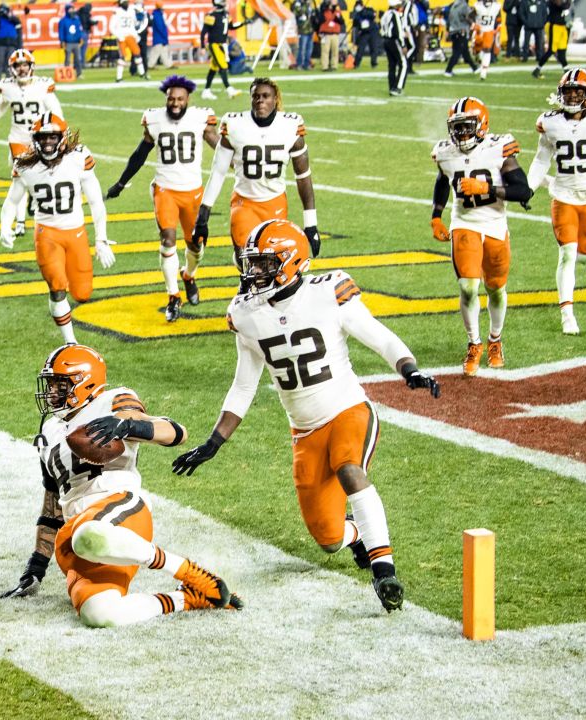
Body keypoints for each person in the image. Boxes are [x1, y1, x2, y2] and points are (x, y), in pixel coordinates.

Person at [171, 220, 440, 613]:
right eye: (253, 264)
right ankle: (359, 535)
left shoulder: (328, 292)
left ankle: (384, 571)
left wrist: (408, 368)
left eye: (264, 264)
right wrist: (214, 442)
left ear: (292, 262)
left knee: (349, 467)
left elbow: (376, 333)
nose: (254, 273)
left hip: (347, 408)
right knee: (329, 538)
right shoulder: (246, 314)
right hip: (304, 431)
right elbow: (244, 386)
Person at [0, 344, 243, 626]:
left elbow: (175, 432)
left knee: (90, 535)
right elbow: (52, 502)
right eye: (50, 384)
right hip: (75, 532)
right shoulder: (49, 431)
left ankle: (188, 571)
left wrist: (128, 426)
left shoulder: (113, 400)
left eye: (60, 384)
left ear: (85, 383)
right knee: (99, 614)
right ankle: (189, 598)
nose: (52, 392)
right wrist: (36, 568)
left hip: (118, 509)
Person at [430, 97, 531, 375]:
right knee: (467, 287)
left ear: (482, 125)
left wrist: (485, 188)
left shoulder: (499, 148)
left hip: (495, 224)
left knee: (496, 289)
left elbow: (524, 191)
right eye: (457, 127)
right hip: (464, 223)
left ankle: (495, 340)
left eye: (467, 127)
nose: (461, 134)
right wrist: (436, 216)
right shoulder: (445, 152)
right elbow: (443, 180)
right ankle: (474, 343)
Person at [106, 76, 220, 322]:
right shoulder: (154, 118)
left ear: (188, 99)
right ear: (166, 99)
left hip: (193, 191)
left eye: (180, 99)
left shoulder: (201, 118)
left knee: (195, 245)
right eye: (171, 99)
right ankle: (173, 296)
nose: (175, 103)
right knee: (168, 240)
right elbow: (140, 153)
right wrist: (121, 182)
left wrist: (238, 163)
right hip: (165, 189)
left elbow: (220, 148)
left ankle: (189, 275)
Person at [0, 115, 113, 343]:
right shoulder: (25, 164)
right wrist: (5, 225)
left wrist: (101, 238)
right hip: (47, 234)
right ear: (35, 140)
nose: (48, 142)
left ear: (62, 138)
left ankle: (66, 293)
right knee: (57, 286)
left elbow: (95, 201)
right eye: (43, 137)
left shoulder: (78, 158)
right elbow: (12, 201)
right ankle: (70, 341)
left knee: (82, 294)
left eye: (52, 136)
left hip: (76, 232)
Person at [193, 78, 320, 278]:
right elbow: (218, 171)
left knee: (272, 266)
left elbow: (303, 176)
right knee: (248, 264)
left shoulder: (290, 125)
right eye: (255, 96)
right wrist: (204, 213)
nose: (260, 100)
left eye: (265, 96)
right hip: (245, 203)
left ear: (275, 99)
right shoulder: (234, 123)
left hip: (275, 203)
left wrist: (310, 223)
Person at [527, 69, 586, 335]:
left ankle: (550, 183)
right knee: (567, 254)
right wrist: (530, 187)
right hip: (563, 196)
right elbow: (541, 158)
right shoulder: (550, 122)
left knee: (585, 256)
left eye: (576, 92)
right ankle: (567, 314)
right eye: (567, 91)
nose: (570, 97)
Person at [0, 49, 64, 238]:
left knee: (44, 176)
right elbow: (0, 106)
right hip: (18, 139)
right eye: (18, 66)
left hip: (41, 139)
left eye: (25, 65)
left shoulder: (43, 85)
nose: (22, 69)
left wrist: (61, 130)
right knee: (20, 179)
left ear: (31, 66)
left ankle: (34, 202)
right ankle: (19, 223)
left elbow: (55, 109)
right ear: (12, 68)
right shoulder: (7, 86)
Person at [200, 0, 246, 98]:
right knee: (223, 66)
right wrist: (202, 47)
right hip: (214, 44)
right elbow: (203, 32)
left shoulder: (226, 15)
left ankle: (206, 91)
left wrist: (243, 23)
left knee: (213, 68)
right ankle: (229, 89)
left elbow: (231, 27)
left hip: (222, 44)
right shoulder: (211, 16)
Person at [111, 0, 148, 82]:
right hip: (122, 37)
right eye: (125, 2)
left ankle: (142, 73)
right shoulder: (117, 12)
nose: (126, 4)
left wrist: (135, 35)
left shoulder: (131, 11)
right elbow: (111, 27)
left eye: (127, 2)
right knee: (123, 57)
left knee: (137, 54)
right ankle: (119, 77)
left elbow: (132, 25)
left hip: (130, 36)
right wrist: (118, 36)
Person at [531, 0, 569, 78]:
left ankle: (566, 71)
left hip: (562, 26)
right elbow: (563, 6)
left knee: (562, 50)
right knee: (551, 50)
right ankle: (537, 69)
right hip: (554, 26)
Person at [380, 0, 409, 95]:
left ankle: (392, 87)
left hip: (386, 40)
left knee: (392, 65)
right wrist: (403, 45)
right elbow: (399, 31)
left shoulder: (385, 14)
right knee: (403, 64)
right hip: (394, 41)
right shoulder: (395, 14)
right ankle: (397, 88)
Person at [442, 0, 478, 78]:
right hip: (461, 30)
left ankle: (474, 68)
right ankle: (448, 70)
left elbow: (448, 18)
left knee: (465, 52)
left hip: (453, 31)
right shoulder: (464, 6)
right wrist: (473, 23)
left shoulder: (454, 4)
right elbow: (468, 16)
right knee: (457, 52)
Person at [0, 3, 22, 84]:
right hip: (1, 44)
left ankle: (10, 80)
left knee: (10, 63)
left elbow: (18, 22)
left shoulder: (12, 18)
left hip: (11, 43)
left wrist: (8, 16)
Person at [472, 0, 502, 81]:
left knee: (487, 50)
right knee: (476, 51)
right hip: (479, 31)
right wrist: (474, 25)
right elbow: (469, 17)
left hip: (489, 31)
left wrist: (498, 27)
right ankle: (478, 58)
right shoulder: (477, 6)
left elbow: (499, 19)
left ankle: (483, 73)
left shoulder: (496, 6)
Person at [59, 5, 87, 78]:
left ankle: (79, 73)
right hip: (68, 42)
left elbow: (79, 30)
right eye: (70, 10)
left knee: (78, 59)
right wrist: (62, 41)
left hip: (76, 42)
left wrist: (81, 37)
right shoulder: (63, 21)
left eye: (73, 9)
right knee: (67, 59)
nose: (72, 11)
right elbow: (61, 32)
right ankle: (66, 74)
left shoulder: (77, 19)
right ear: (67, 11)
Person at [352, 1, 381, 69]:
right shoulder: (357, 14)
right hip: (364, 33)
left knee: (374, 48)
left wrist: (363, 11)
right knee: (361, 49)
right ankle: (356, 63)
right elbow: (355, 22)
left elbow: (372, 15)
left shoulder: (368, 10)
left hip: (372, 31)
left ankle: (374, 63)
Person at [317, 0, 345, 71]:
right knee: (325, 51)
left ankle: (334, 65)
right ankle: (324, 66)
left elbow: (342, 21)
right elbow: (321, 20)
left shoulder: (337, 11)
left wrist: (337, 18)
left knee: (335, 51)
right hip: (326, 33)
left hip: (335, 33)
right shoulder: (324, 11)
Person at [519, 0, 547, 67]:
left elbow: (545, 13)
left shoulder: (541, 2)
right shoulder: (525, 2)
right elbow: (521, 13)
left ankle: (539, 57)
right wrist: (526, 22)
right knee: (526, 42)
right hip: (528, 26)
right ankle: (525, 57)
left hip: (539, 25)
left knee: (539, 42)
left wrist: (542, 22)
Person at [147, 3, 172, 69]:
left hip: (160, 37)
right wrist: (164, 36)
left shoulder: (157, 15)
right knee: (156, 51)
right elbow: (160, 27)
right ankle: (150, 65)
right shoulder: (157, 15)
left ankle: (168, 65)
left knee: (164, 52)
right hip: (159, 37)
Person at [293, 0, 316, 70]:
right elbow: (299, 12)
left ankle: (307, 64)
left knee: (309, 49)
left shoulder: (309, 3)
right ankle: (299, 64)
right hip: (302, 30)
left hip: (310, 29)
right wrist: (306, 6)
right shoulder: (298, 3)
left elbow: (312, 14)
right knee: (302, 48)